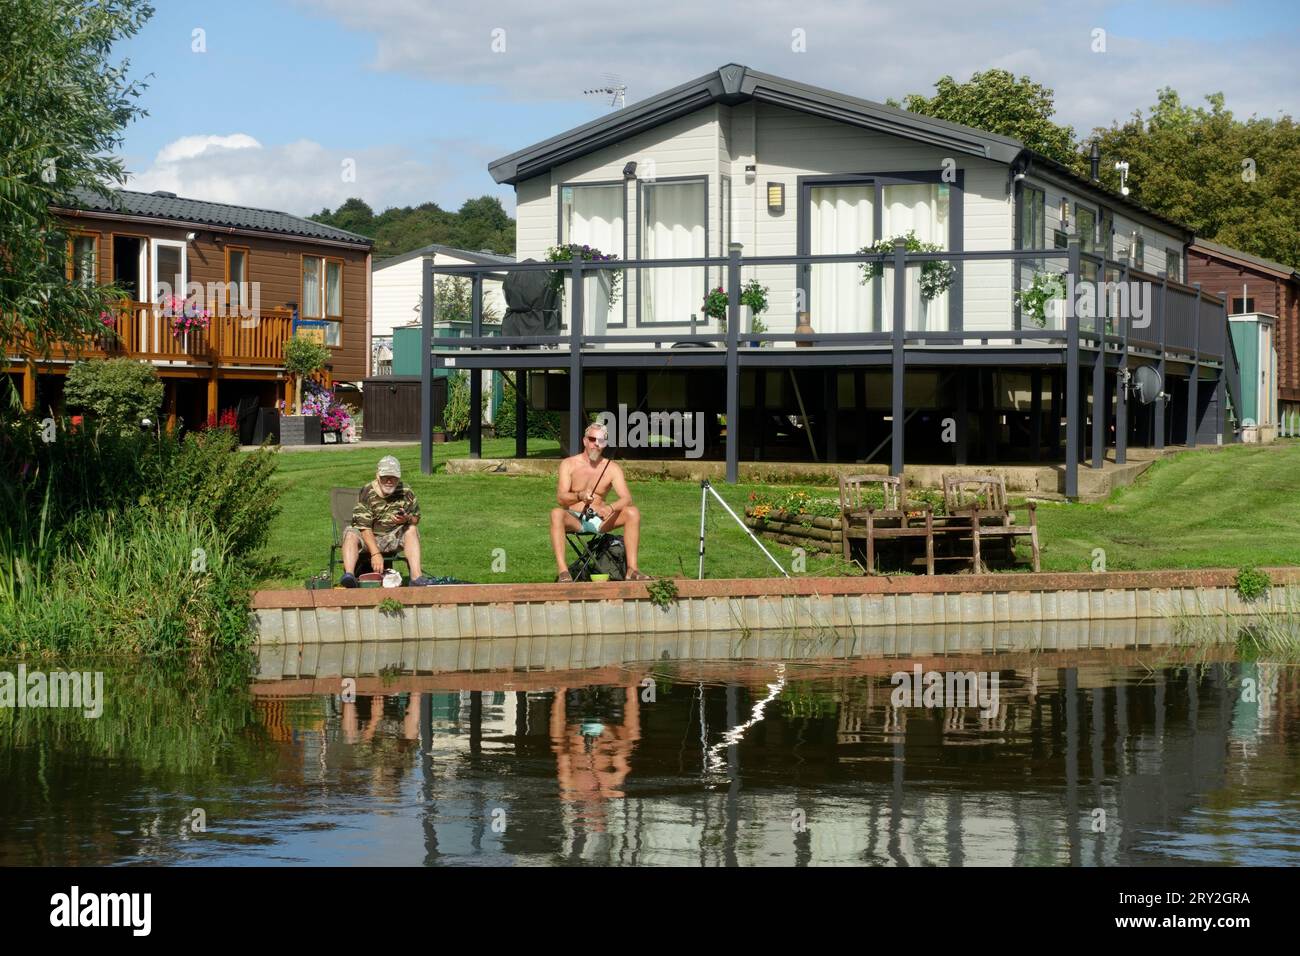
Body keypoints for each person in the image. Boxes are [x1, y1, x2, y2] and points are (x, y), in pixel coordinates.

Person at [549, 422, 651, 582]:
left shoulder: (612, 467)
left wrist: (610, 507)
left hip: (602, 520)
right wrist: (579, 496)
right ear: (584, 441)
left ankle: (632, 570)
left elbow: (627, 498)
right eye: (592, 439)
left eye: (601, 440)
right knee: (556, 513)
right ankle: (563, 572)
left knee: (633, 512)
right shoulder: (568, 464)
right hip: (575, 518)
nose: (596, 444)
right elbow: (561, 498)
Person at [341, 455, 439, 586]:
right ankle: (349, 576)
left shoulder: (406, 491)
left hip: (392, 537)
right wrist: (375, 553)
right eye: (385, 477)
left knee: (411, 529)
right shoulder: (367, 492)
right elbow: (364, 527)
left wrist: (407, 518)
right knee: (350, 533)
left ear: (398, 477)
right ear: (377, 476)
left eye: (393, 477)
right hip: (369, 537)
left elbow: (416, 519)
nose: (389, 481)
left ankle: (416, 577)